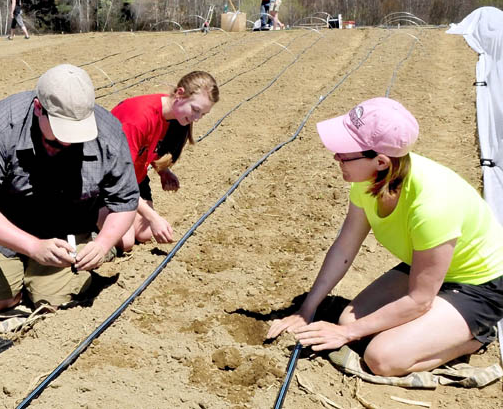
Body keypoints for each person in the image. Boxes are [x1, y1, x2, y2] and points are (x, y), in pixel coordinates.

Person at [267, 98, 503, 377]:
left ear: (380, 161)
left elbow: (419, 299)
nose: (336, 158)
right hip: (426, 267)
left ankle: (476, 337)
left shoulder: (433, 205)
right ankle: (439, 327)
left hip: (479, 286)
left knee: (383, 358)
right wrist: (306, 310)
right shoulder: (367, 181)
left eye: (344, 153)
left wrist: (345, 334)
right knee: (349, 318)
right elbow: (345, 247)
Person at [0, 64, 138, 314]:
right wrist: (33, 247)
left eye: (76, 137)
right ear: (38, 108)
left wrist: (104, 245)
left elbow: (125, 203)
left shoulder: (108, 133)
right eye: (56, 137)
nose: (65, 143)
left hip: (68, 229)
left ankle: (87, 247)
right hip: (8, 227)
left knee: (51, 301)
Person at [110, 71, 219, 251]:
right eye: (195, 110)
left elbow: (149, 148)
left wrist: (163, 170)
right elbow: (117, 180)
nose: (197, 118)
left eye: (203, 114)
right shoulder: (138, 118)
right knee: (126, 241)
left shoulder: (175, 118)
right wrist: (154, 217)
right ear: (179, 94)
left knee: (144, 234)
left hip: (133, 179)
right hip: (106, 183)